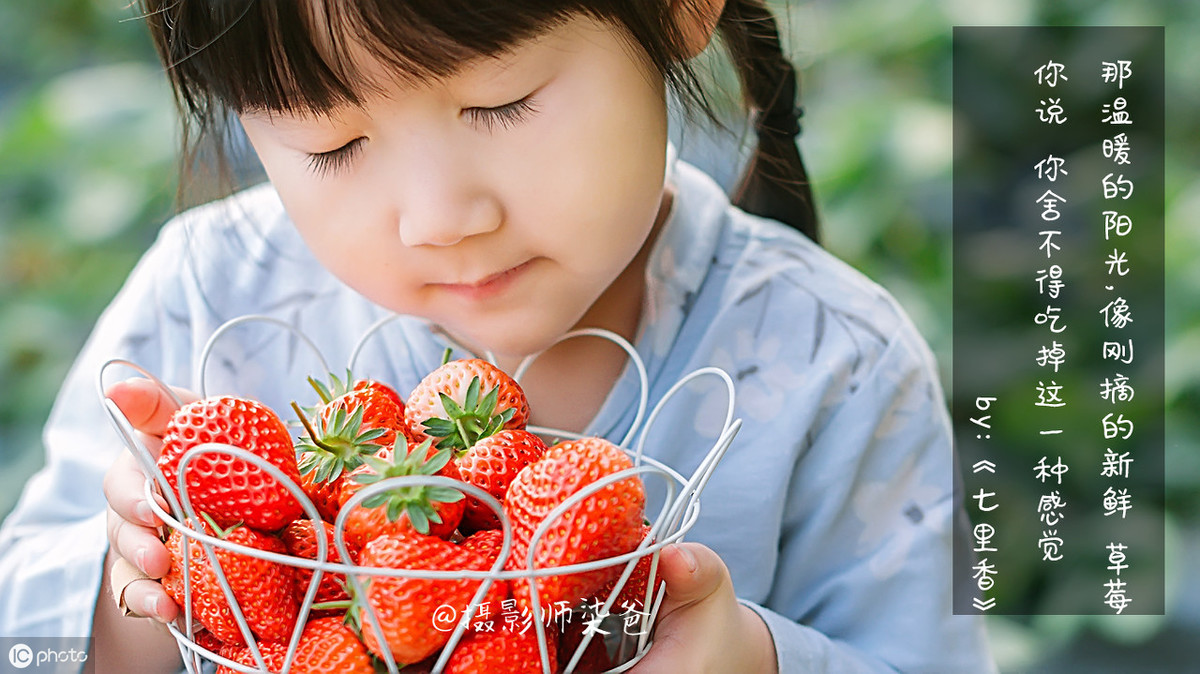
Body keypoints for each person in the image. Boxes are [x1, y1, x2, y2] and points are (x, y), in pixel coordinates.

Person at [0, 0, 996, 672]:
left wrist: (755, 656)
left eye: (499, 104)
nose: (439, 215)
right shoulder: (210, 295)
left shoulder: (832, 363)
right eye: (331, 144)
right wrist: (138, 594)